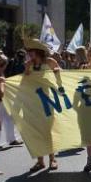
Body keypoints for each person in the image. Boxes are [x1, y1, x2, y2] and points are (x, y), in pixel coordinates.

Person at [24, 38, 60, 172]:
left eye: (31, 51)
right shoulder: (28, 64)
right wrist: (26, 71)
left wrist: (57, 71)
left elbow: (59, 77)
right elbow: (25, 82)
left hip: (47, 102)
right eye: (28, 51)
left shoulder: (50, 62)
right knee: (36, 132)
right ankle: (40, 161)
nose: (29, 53)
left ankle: (53, 159)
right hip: (33, 103)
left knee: (48, 132)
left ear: (38, 51)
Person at [0, 55, 23, 149]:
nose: (5, 66)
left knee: (9, 117)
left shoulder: (0, 73)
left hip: (3, 99)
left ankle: (11, 139)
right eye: (3, 64)